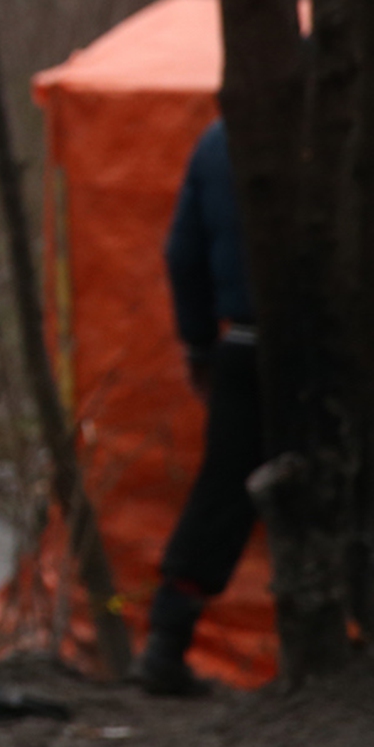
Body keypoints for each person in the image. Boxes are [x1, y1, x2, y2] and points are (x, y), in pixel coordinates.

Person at [135, 117, 261, 697]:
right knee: (364, 490)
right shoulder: (345, 124)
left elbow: (184, 252)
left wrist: (200, 344)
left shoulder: (222, 138)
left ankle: (167, 641)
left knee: (223, 493)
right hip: (327, 347)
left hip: (245, 344)